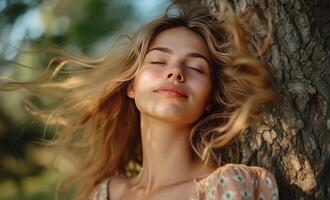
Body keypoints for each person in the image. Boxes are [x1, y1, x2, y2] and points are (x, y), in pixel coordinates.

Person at [1, 1, 279, 200]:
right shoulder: (103, 193)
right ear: (131, 86)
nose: (175, 72)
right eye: (159, 60)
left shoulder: (226, 187)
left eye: (195, 68)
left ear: (209, 99)